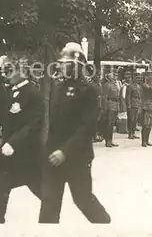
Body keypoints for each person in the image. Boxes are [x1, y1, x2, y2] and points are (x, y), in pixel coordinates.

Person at [39, 42, 111, 224]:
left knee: (83, 200)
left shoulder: (89, 91)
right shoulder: (58, 88)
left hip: (77, 157)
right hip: (54, 158)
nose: (61, 66)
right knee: (49, 205)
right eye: (61, 63)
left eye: (65, 63)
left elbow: (87, 128)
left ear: (76, 66)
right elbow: (55, 125)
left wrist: (65, 151)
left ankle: (106, 228)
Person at [0, 61, 44, 223]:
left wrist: (13, 142)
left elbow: (34, 124)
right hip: (8, 157)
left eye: (10, 70)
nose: (7, 74)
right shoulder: (7, 92)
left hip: (27, 156)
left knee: (45, 195)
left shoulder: (33, 94)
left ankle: (53, 225)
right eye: (6, 70)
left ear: (23, 72)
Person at [140, 71, 152, 147]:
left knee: (150, 125)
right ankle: (143, 141)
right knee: (145, 125)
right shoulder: (144, 85)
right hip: (147, 107)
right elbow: (150, 90)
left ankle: (147, 140)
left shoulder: (151, 85)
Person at [101, 72, 119, 147]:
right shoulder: (107, 85)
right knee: (108, 124)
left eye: (116, 75)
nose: (116, 77)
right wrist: (105, 108)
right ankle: (107, 140)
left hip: (115, 104)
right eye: (114, 75)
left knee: (111, 124)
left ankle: (110, 140)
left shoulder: (114, 84)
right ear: (109, 77)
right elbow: (105, 97)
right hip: (109, 104)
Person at [126, 72, 141, 139]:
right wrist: (129, 105)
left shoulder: (139, 86)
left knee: (135, 120)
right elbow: (128, 96)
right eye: (137, 78)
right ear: (133, 78)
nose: (138, 79)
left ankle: (133, 132)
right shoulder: (130, 86)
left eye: (139, 78)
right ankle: (130, 133)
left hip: (137, 104)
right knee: (131, 119)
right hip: (132, 104)